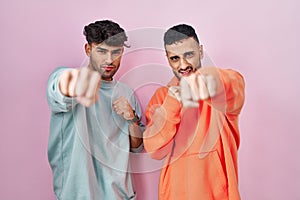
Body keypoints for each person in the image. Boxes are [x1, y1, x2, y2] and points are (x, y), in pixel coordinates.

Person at [143, 24, 245, 200]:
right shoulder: (162, 97)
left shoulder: (221, 85)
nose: (183, 65)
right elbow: (155, 149)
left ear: (201, 51)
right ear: (167, 59)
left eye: (188, 55)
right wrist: (172, 103)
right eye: (175, 58)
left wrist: (206, 82)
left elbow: (233, 84)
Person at [47, 20, 144, 200]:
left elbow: (137, 147)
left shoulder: (126, 93)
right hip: (77, 195)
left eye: (116, 52)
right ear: (88, 49)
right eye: (102, 51)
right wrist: (77, 82)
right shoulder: (68, 79)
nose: (109, 60)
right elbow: (60, 87)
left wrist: (131, 119)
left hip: (121, 195)